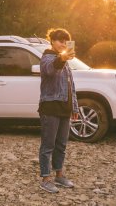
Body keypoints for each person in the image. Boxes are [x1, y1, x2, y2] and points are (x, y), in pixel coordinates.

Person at [38, 28, 79, 193]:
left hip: (64, 108)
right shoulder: (47, 58)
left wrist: (74, 106)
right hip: (50, 107)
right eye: (60, 40)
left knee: (61, 144)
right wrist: (62, 57)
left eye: (65, 41)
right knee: (48, 145)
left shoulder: (65, 61)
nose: (63, 43)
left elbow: (71, 86)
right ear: (52, 41)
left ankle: (59, 175)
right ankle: (45, 178)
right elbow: (51, 70)